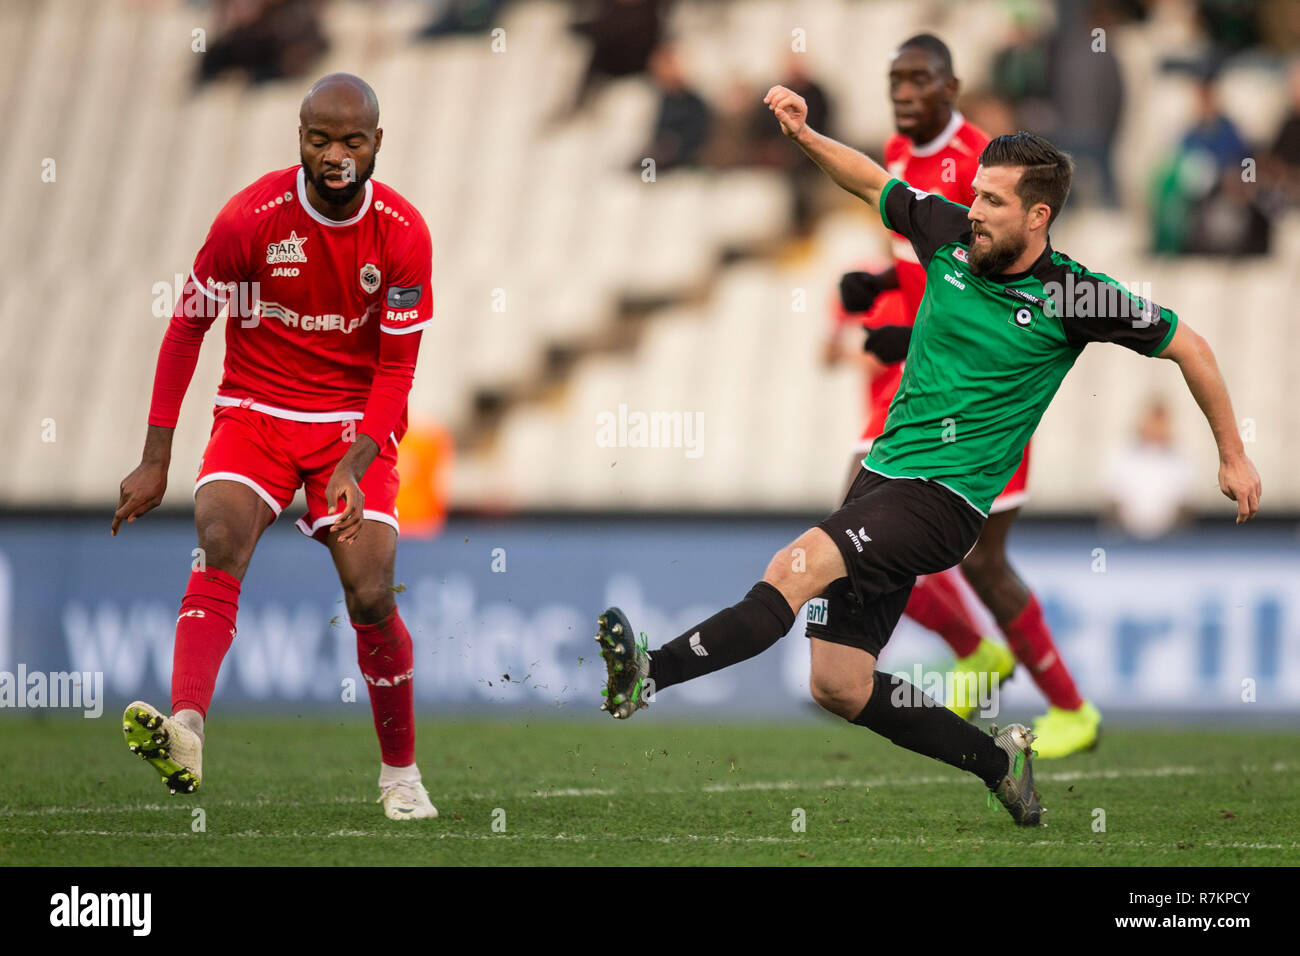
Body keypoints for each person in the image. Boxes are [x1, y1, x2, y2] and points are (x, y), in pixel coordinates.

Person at [593, 86, 1261, 828]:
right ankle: (998, 762)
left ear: (1038, 215)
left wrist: (1232, 455)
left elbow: (1189, 346)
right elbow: (873, 181)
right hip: (883, 476)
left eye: (994, 201)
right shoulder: (946, 233)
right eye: (975, 192)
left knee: (794, 565)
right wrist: (805, 135)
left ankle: (652, 675)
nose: (973, 208)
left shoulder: (1076, 296)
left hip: (944, 502)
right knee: (840, 684)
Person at [112, 74, 438, 821]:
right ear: (299, 136)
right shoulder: (249, 220)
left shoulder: (404, 234)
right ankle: (187, 727)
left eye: (352, 140)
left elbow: (396, 370)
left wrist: (356, 464)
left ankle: (400, 774)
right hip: (255, 410)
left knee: (371, 590)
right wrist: (156, 455)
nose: (335, 154)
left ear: (377, 144)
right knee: (219, 534)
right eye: (320, 138)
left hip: (352, 426)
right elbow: (187, 323)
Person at [837, 34, 1101, 757]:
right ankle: (988, 662)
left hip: (974, 386)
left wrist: (903, 329)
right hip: (920, 376)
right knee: (859, 525)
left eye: (918, 79)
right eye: (895, 78)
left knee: (975, 560)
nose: (903, 91)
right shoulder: (897, 152)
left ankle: (1057, 699)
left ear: (950, 87)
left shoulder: (982, 164)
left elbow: (992, 273)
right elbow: (926, 255)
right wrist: (882, 287)